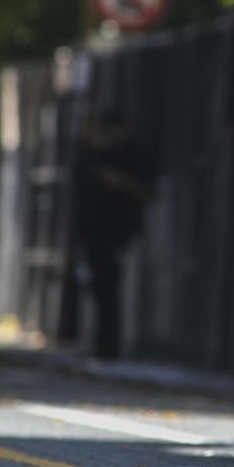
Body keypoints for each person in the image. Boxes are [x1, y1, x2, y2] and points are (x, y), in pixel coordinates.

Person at [73, 108, 153, 359]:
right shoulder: (90, 155)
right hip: (93, 232)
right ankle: (99, 344)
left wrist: (118, 182)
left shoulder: (132, 155)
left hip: (122, 232)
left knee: (115, 289)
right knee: (97, 288)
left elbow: (147, 190)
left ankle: (112, 347)